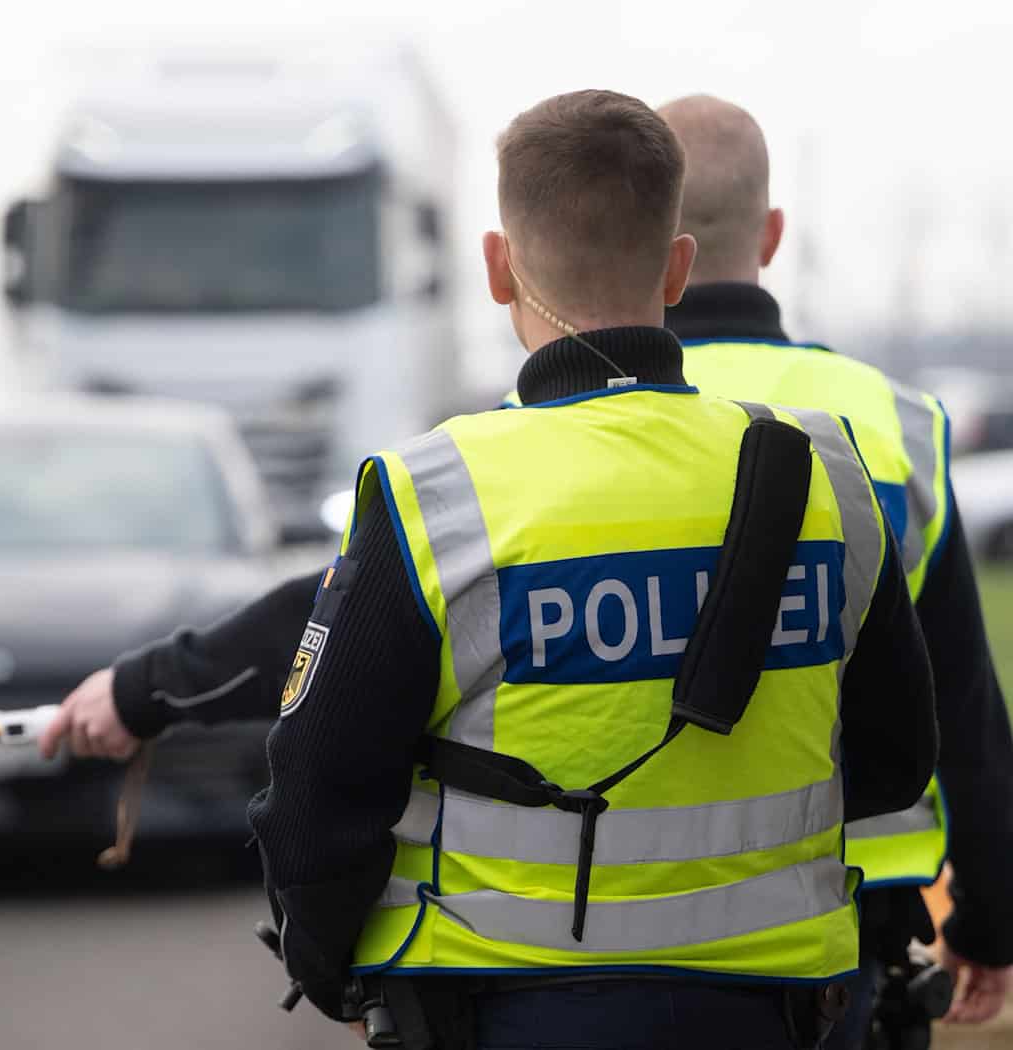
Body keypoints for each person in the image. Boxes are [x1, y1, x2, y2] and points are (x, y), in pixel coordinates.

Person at [243, 90, 935, 1049]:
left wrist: (327, 967)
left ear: (497, 267)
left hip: (500, 1005)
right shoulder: (827, 472)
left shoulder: (439, 493)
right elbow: (898, 760)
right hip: (771, 1009)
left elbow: (318, 790)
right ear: (679, 267)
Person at [651, 95, 1013, 1045]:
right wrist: (988, 920)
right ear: (771, 234)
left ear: (649, 237)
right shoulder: (897, 422)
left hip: (603, 925)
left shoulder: (554, 423)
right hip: (851, 922)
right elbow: (963, 700)